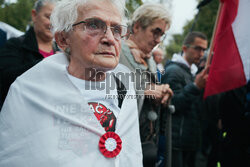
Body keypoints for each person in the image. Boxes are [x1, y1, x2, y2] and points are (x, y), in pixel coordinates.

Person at [0, 0, 143, 166]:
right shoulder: (29, 91)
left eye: (117, 30)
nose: (110, 39)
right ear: (63, 38)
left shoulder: (125, 90)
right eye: (94, 25)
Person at [119, 3, 173, 167]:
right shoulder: (117, 52)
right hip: (119, 144)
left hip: (146, 143)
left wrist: (162, 93)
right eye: (155, 32)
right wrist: (145, 91)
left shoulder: (149, 59)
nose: (157, 40)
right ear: (136, 26)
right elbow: (105, 93)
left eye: (161, 35)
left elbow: (151, 93)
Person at [161, 31, 208, 167]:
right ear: (185, 49)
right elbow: (172, 105)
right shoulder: (174, 71)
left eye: (204, 49)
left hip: (187, 140)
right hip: (176, 141)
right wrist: (195, 87)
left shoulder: (191, 71)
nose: (201, 53)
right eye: (198, 48)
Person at [0, 0, 59, 107]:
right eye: (48, 17)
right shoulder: (15, 45)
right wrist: (46, 63)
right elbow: (6, 78)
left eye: (58, 19)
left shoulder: (63, 51)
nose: (53, 23)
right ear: (34, 15)